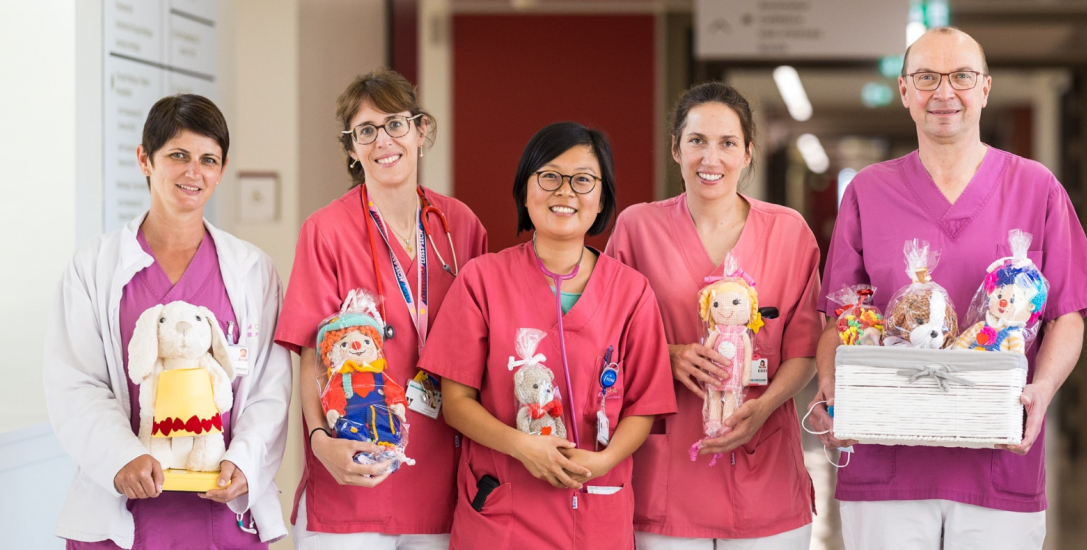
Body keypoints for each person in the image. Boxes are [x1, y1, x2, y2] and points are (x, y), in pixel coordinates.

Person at [810, 27, 1087, 549]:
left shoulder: (1036, 188)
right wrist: (833, 389)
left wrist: (1042, 392)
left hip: (997, 459)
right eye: (926, 77)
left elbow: (1068, 313)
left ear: (985, 88)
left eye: (962, 77)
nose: (944, 93)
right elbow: (841, 317)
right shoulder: (868, 192)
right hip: (887, 462)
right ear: (905, 91)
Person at [44, 94, 291, 548]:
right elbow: (75, 382)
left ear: (222, 168)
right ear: (145, 159)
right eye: (178, 155)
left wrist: (245, 460)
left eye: (208, 159)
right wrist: (122, 457)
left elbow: (268, 389)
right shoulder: (93, 266)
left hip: (221, 512)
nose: (193, 172)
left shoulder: (253, 271)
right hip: (123, 509)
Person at [422, 121, 677, 549]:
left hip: (595, 510)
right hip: (502, 512)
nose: (565, 192)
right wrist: (522, 446)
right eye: (549, 177)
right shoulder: (481, 281)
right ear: (526, 190)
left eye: (582, 180)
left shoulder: (632, 292)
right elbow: (456, 403)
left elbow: (644, 406)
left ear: (602, 199)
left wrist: (603, 462)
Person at [273, 68, 487, 548]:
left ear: (421, 130)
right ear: (351, 148)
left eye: (395, 123)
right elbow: (311, 350)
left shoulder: (460, 226)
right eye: (365, 131)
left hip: (441, 474)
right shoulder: (325, 230)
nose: (383, 140)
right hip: (352, 467)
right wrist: (320, 442)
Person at [606, 83, 822, 549]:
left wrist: (763, 407)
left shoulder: (789, 233)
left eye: (727, 143)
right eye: (697, 141)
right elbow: (607, 339)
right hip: (667, 483)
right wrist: (666, 355)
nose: (711, 158)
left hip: (766, 474)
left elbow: (804, 350)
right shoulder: (637, 229)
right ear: (675, 149)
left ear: (747, 154)